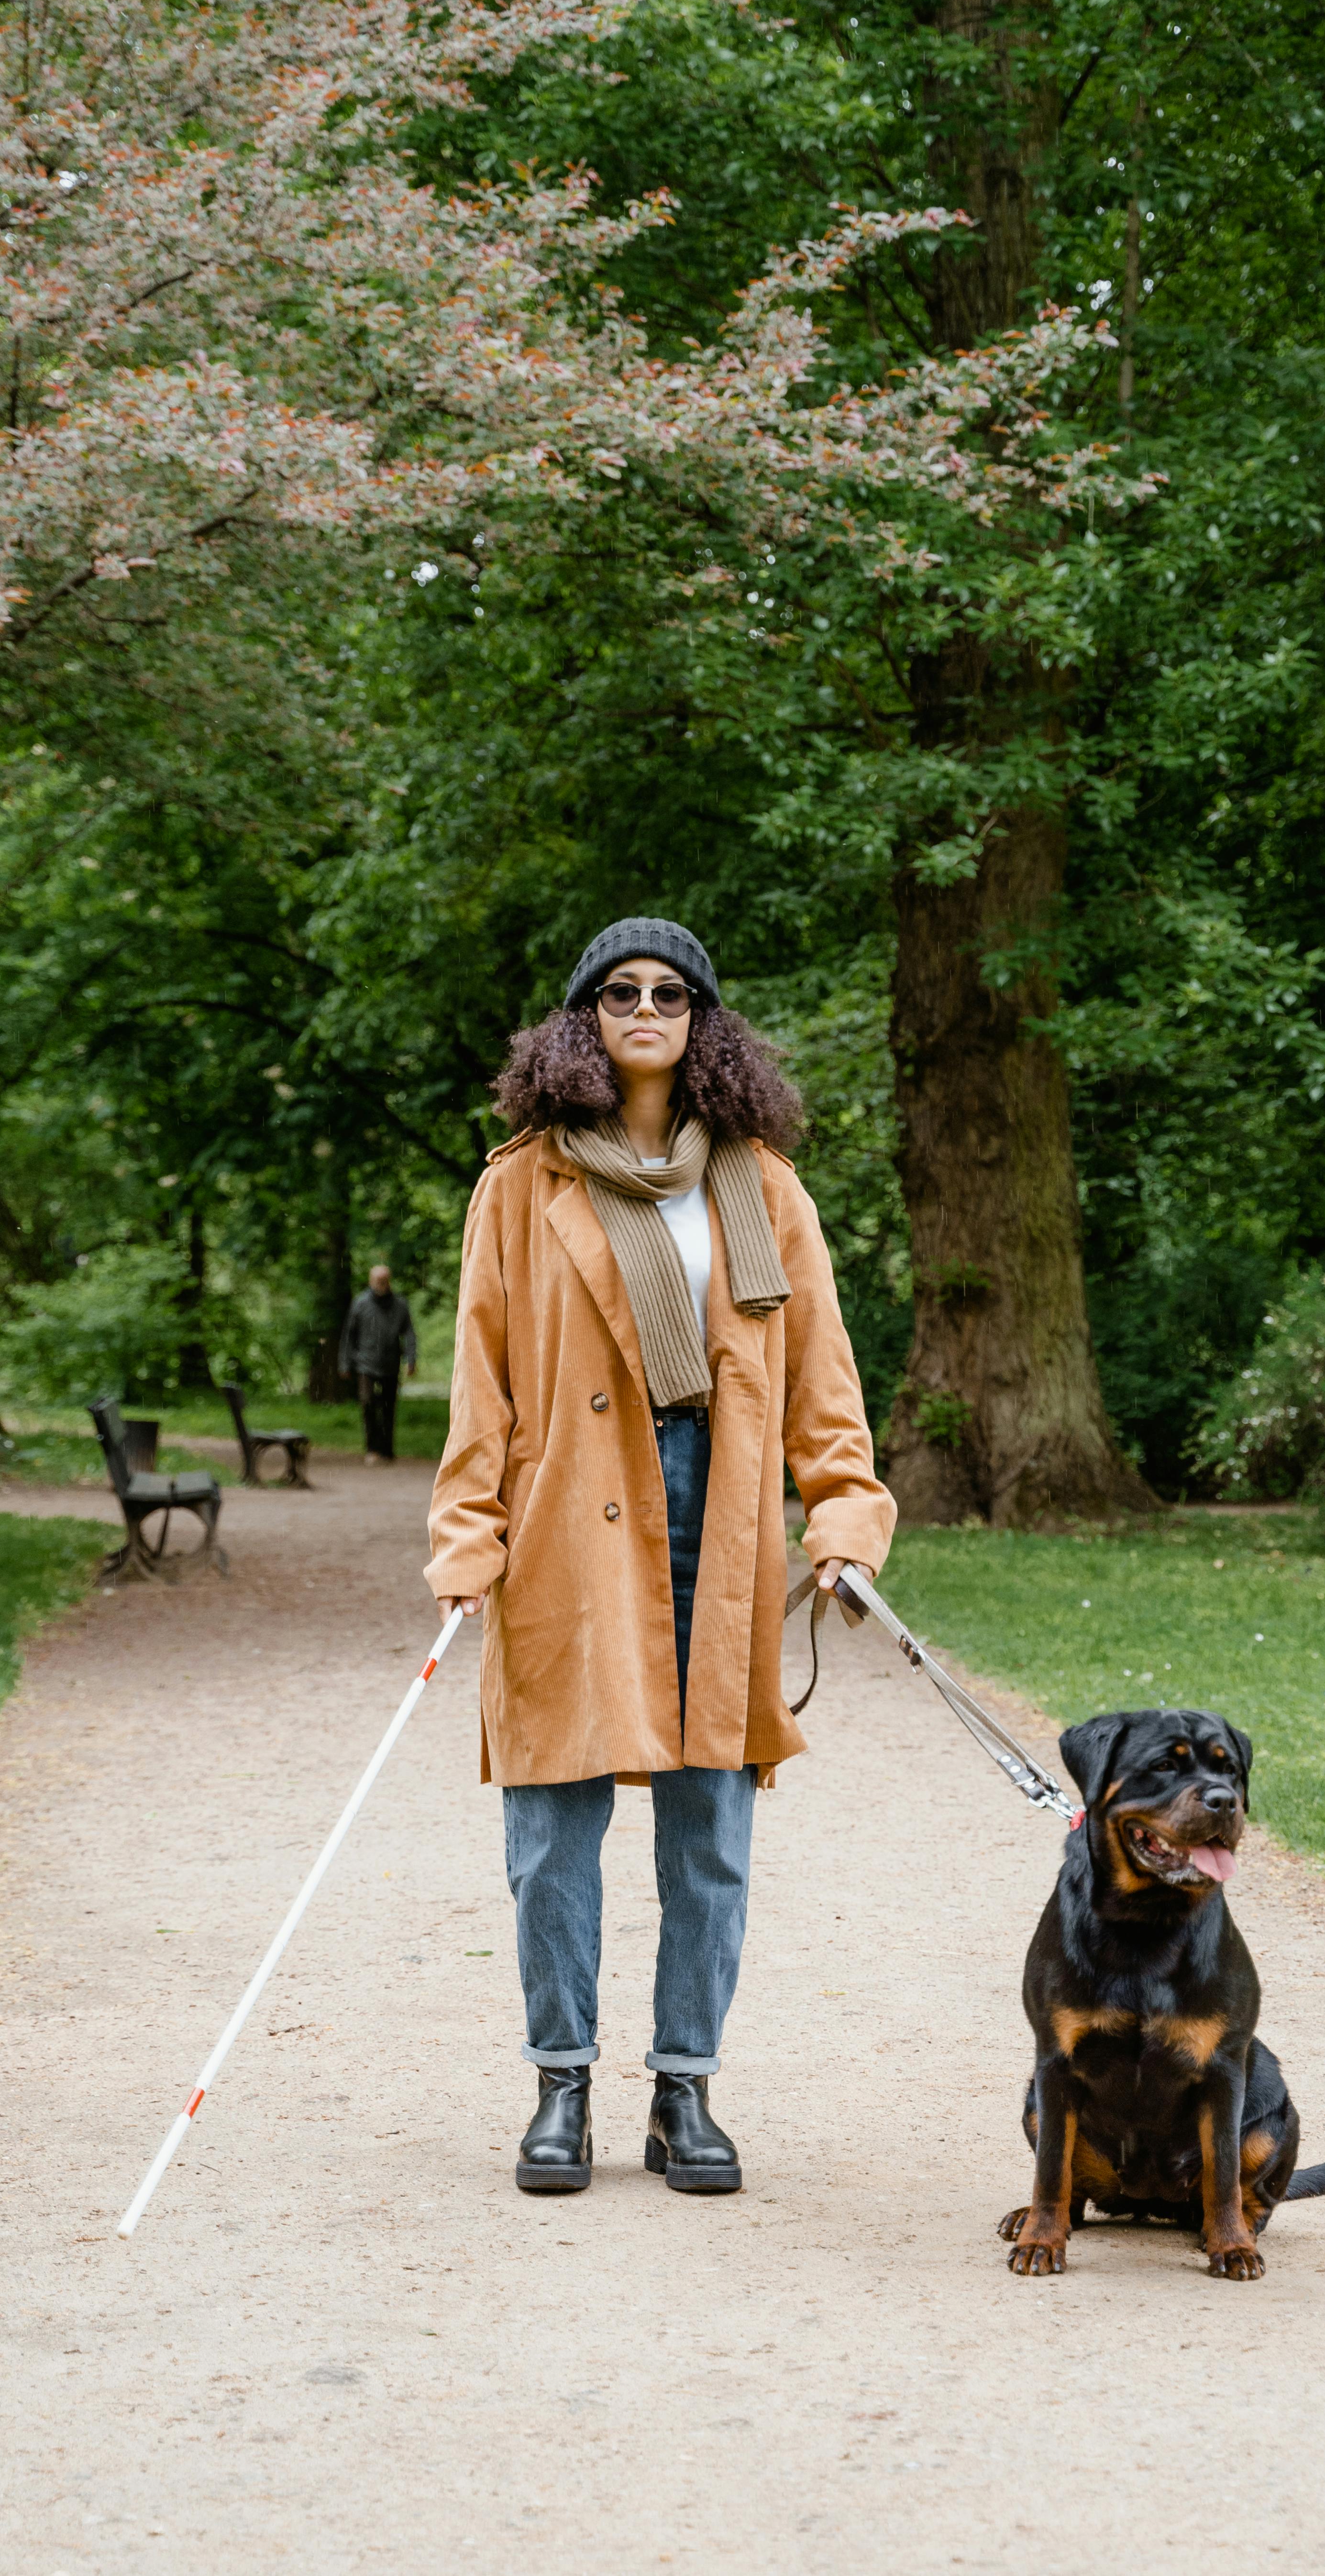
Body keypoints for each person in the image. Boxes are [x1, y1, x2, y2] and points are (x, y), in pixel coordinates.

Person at [426, 917, 895, 2200]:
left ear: (702, 1022)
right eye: (621, 991)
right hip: (568, 1517)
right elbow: (484, 1379)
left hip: (722, 1513)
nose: (648, 1007)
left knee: (710, 1831)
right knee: (551, 1827)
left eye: (672, 992)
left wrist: (843, 1521)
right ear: (584, 1019)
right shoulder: (523, 1184)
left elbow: (822, 1384)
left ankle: (685, 2091)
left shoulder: (764, 1186)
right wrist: (469, 1534)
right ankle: (559, 2088)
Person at [339, 1263, 416, 1465]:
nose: (381, 1284)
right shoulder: (360, 1304)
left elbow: (409, 1333)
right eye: (378, 1281)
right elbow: (350, 1335)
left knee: (389, 1407)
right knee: (368, 1403)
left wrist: (411, 1359)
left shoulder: (400, 1305)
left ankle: (387, 1450)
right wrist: (345, 1363)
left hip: (391, 1363)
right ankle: (372, 1448)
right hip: (365, 1363)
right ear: (371, 1281)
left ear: (389, 1281)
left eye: (385, 1280)